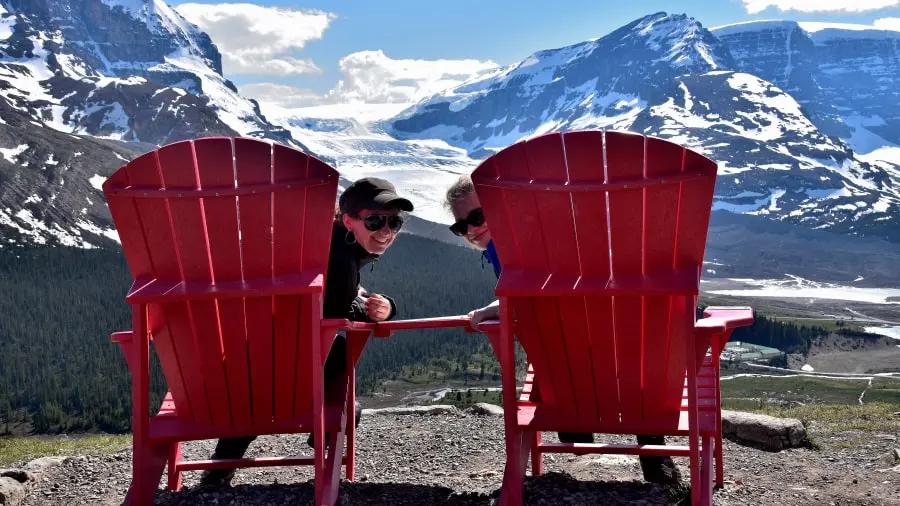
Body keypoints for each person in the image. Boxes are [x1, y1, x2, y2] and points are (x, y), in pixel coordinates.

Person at [445, 174, 682, 485]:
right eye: (462, 226)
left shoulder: (516, 244)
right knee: (624, 366)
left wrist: (498, 307)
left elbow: (534, 299)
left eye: (478, 216)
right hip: (627, 368)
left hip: (574, 372)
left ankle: (578, 425)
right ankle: (655, 460)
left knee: (569, 371)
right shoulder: (537, 234)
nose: (472, 229)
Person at [200, 177, 412, 488]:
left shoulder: (317, 243)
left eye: (395, 222)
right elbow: (337, 309)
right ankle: (326, 437)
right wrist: (375, 307)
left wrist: (368, 299)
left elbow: (336, 296)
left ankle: (220, 466)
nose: (386, 231)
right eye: (375, 220)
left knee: (270, 363)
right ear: (349, 220)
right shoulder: (340, 258)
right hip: (284, 381)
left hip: (239, 372)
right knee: (337, 352)